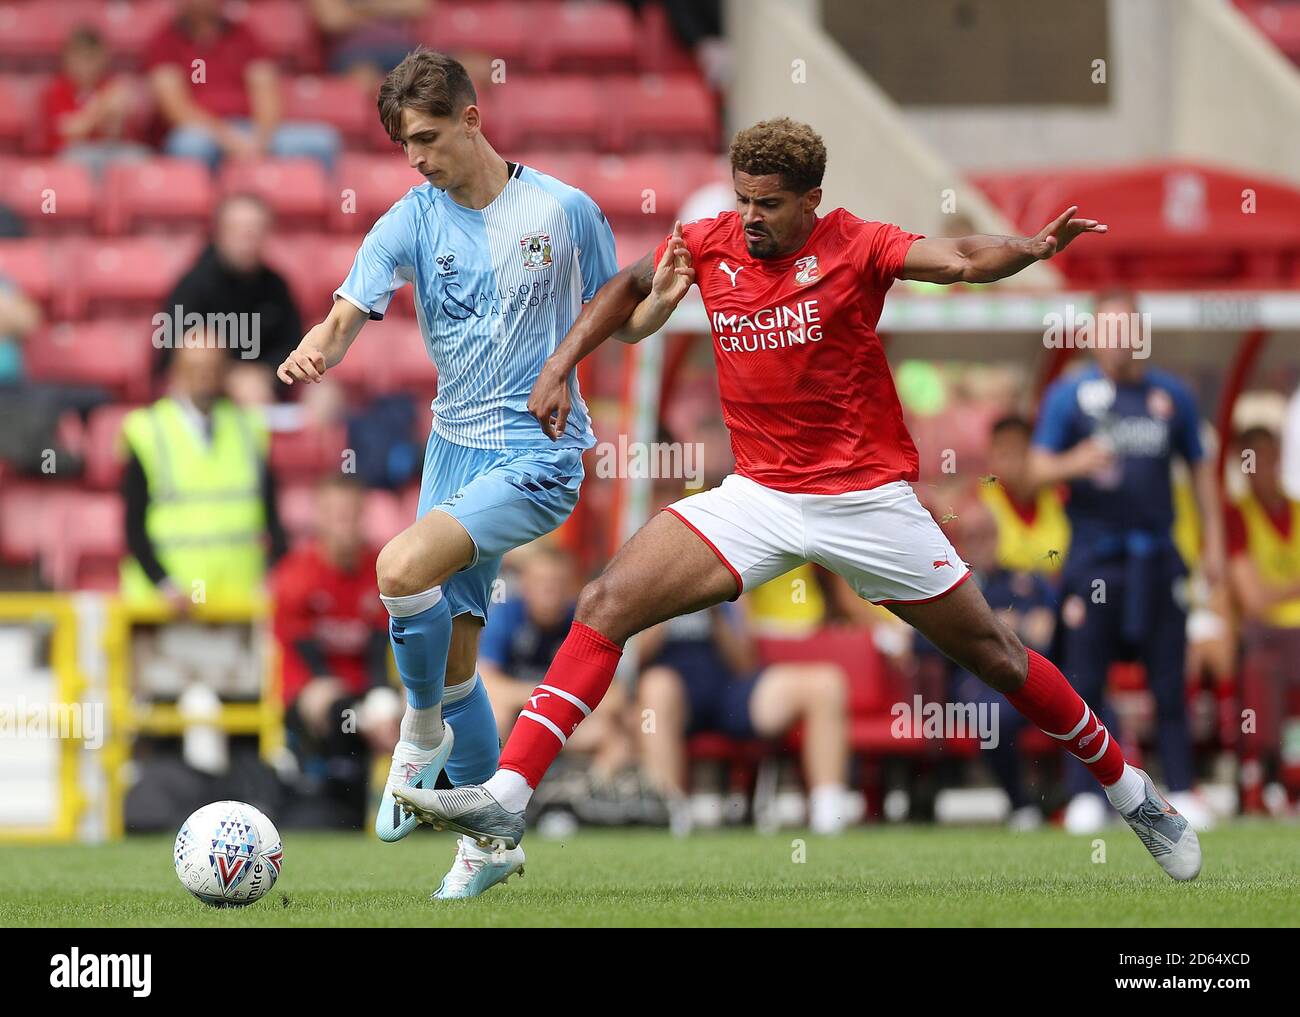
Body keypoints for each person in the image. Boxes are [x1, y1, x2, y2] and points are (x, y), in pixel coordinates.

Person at [394, 117, 1203, 883]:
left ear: (810, 200)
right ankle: (506, 799)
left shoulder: (856, 243)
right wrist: (560, 364)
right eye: (742, 196)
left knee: (996, 655)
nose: (749, 216)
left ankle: (1134, 792)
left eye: (769, 203)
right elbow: (624, 286)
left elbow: (956, 257)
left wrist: (1026, 248)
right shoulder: (712, 240)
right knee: (605, 599)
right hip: (759, 495)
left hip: (865, 498)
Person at [275, 50, 618, 898]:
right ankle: (489, 845)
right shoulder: (412, 218)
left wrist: (667, 292)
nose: (418, 157)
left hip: (538, 452)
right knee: (458, 660)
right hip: (453, 452)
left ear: (472, 116)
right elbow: (349, 308)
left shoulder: (563, 210)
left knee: (398, 566)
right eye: (403, 144)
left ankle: (419, 734)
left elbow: (623, 314)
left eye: (428, 136)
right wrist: (321, 343)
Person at [1028, 288, 1223, 835]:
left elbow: (1201, 469)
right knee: (1086, 681)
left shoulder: (1171, 396)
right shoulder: (1070, 397)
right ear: (1091, 337)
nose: (1121, 343)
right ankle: (1085, 794)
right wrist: (1076, 461)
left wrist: (1211, 547)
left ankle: (1182, 787)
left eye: (1129, 330)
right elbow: (1035, 469)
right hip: (1095, 562)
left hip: (1157, 560)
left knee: (1168, 679)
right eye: (1109, 331)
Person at [637, 601, 849, 836]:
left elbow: (746, 663)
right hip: (674, 698)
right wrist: (671, 604)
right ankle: (670, 813)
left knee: (826, 684)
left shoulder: (724, 578)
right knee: (656, 687)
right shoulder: (645, 576)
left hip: (730, 691)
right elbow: (634, 659)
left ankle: (829, 815)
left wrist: (715, 614)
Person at [271, 474, 400, 828]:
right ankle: (338, 800)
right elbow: (313, 663)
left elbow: (378, 653)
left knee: (414, 705)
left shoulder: (381, 568)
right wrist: (362, 715)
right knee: (333, 705)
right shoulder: (296, 574)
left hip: (364, 687)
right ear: (320, 519)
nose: (346, 525)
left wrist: (380, 702)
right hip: (312, 689)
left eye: (352, 514)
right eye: (336, 515)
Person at [120, 341, 287, 608]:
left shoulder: (249, 428)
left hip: (237, 601)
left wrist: (270, 577)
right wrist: (164, 584)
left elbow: (273, 518)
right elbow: (133, 525)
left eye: (212, 368)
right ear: (176, 372)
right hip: (168, 605)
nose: (204, 377)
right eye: (195, 368)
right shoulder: (148, 430)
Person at [945, 499, 1058, 829]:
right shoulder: (952, 586)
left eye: (988, 533)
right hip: (976, 683)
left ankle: (1086, 797)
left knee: (1089, 697)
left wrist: (1021, 625)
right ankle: (1022, 802)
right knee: (992, 714)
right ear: (960, 541)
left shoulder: (1024, 581)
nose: (983, 542)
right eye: (973, 535)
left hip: (1028, 675)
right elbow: (924, 640)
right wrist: (1002, 625)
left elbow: (1051, 630)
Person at [479, 547, 635, 777]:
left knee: (615, 736)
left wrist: (546, 703)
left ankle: (591, 801)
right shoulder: (505, 616)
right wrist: (553, 696)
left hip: (563, 726)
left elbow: (615, 696)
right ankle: (489, 795)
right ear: (524, 585)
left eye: (557, 583)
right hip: (516, 722)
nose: (549, 591)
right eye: (541, 581)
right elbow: (487, 684)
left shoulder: (588, 623)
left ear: (573, 587)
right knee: (495, 712)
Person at [145, 0, 340, 171]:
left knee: (322, 141)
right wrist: (228, 138)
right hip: (202, 132)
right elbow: (176, 108)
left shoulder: (245, 33)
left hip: (251, 129)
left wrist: (260, 140)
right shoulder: (164, 40)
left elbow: (266, 91)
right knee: (189, 146)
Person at [158, 194, 303, 395]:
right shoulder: (194, 285)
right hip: (208, 393)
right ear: (219, 233)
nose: (246, 240)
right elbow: (171, 353)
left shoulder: (276, 287)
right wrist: (228, 375)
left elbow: (292, 344)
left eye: (254, 232)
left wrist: (267, 372)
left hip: (270, 382)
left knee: (324, 392)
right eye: (238, 231)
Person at [1225, 426, 1300, 813]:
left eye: (1270, 456)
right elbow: (1252, 599)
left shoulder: (1297, 510)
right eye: (1254, 458)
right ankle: (1267, 771)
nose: (1263, 467)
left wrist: (1277, 589)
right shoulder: (1238, 517)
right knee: (1263, 665)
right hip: (1266, 630)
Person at [40, 25, 149, 174]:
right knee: (76, 161)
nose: (85, 65)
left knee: (139, 158)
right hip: (73, 154)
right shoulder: (57, 90)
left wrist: (117, 115)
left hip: (108, 150)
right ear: (66, 59)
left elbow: (114, 134)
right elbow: (70, 131)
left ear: (103, 58)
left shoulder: (109, 85)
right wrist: (102, 107)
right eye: (79, 58)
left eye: (91, 58)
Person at [978, 415, 1070, 578]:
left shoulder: (1056, 494)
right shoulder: (980, 502)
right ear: (990, 455)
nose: (1012, 462)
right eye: (1003, 453)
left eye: (1018, 451)